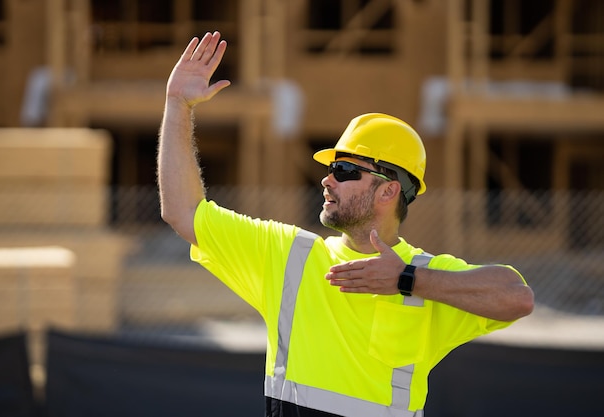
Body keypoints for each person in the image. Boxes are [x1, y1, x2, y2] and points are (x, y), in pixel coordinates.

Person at [158, 31, 534, 417]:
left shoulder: (425, 277)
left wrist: (406, 281)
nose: (327, 179)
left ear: (388, 192)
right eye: (330, 168)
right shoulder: (288, 256)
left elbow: (517, 297)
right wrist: (178, 104)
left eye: (344, 170)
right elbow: (182, 211)